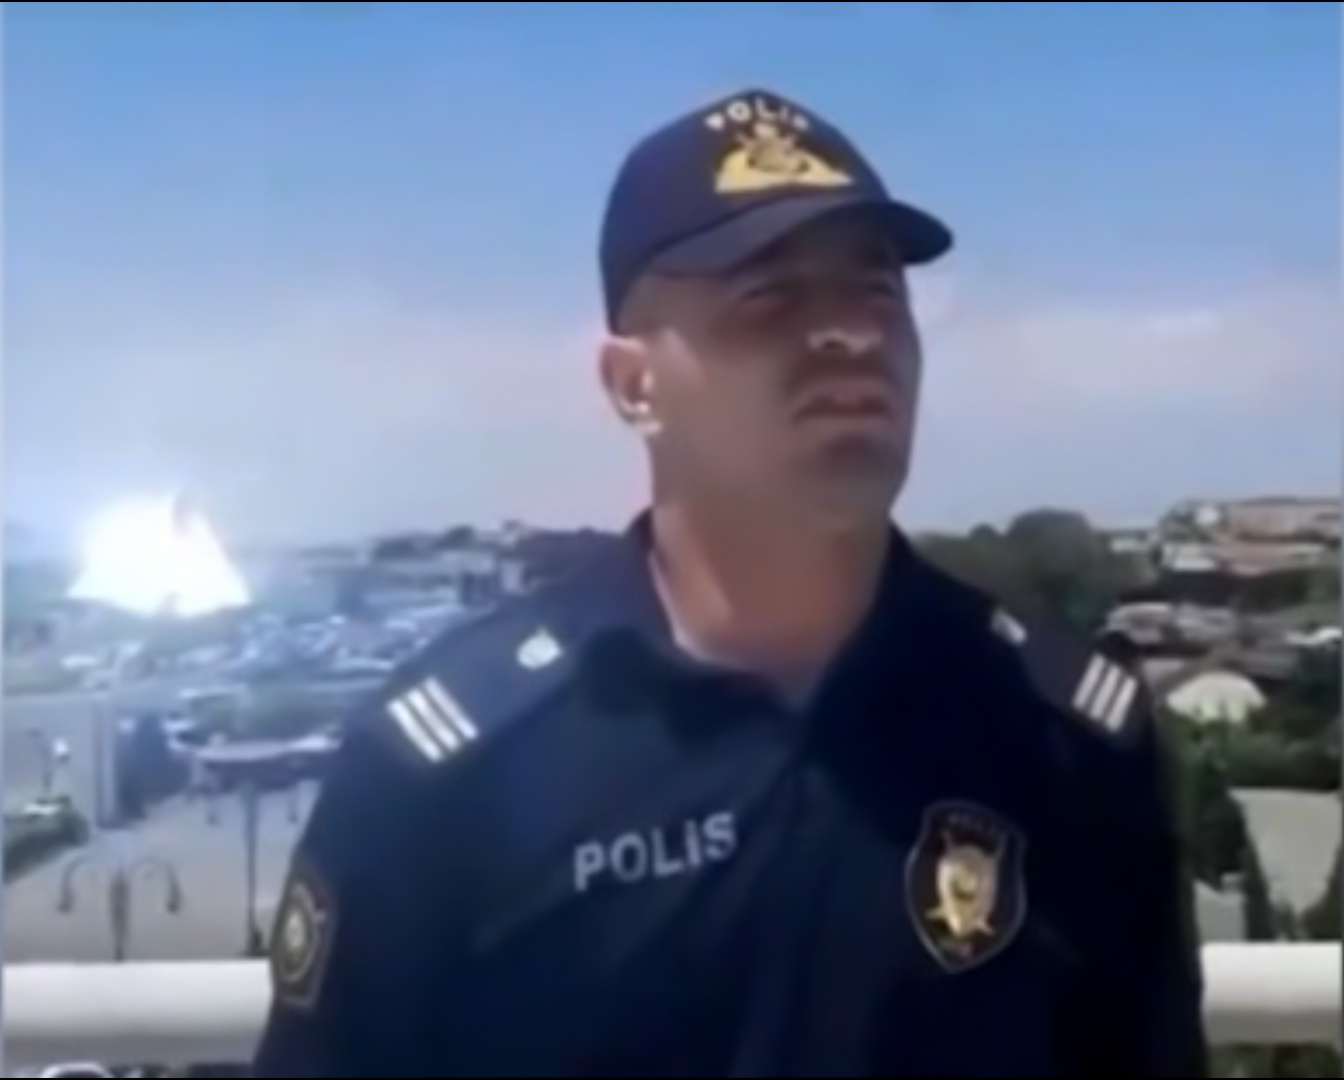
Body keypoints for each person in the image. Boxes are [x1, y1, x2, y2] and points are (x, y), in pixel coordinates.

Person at [254, 88, 1206, 1075]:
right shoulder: (451, 775)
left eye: (878, 292)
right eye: (770, 298)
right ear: (634, 385)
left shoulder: (1064, 734)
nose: (850, 333)